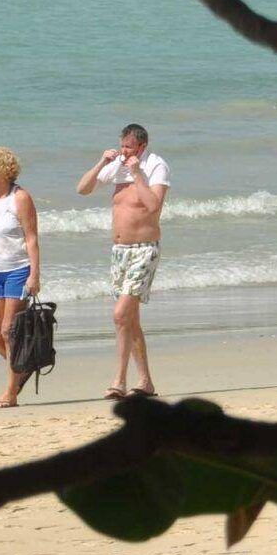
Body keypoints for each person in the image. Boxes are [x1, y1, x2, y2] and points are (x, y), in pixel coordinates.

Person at [76, 123, 169, 399]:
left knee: (119, 315)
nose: (124, 150)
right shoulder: (116, 164)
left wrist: (137, 172)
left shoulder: (155, 165)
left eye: (129, 146)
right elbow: (82, 189)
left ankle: (119, 380)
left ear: (141, 146)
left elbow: (153, 206)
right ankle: (146, 382)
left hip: (144, 249)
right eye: (122, 145)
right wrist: (101, 162)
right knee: (130, 320)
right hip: (119, 251)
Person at [0, 146, 41, 409]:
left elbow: (32, 237)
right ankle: (21, 369)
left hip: (18, 270)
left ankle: (11, 393)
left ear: (2, 170)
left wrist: (35, 274)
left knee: (8, 331)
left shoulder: (21, 198)